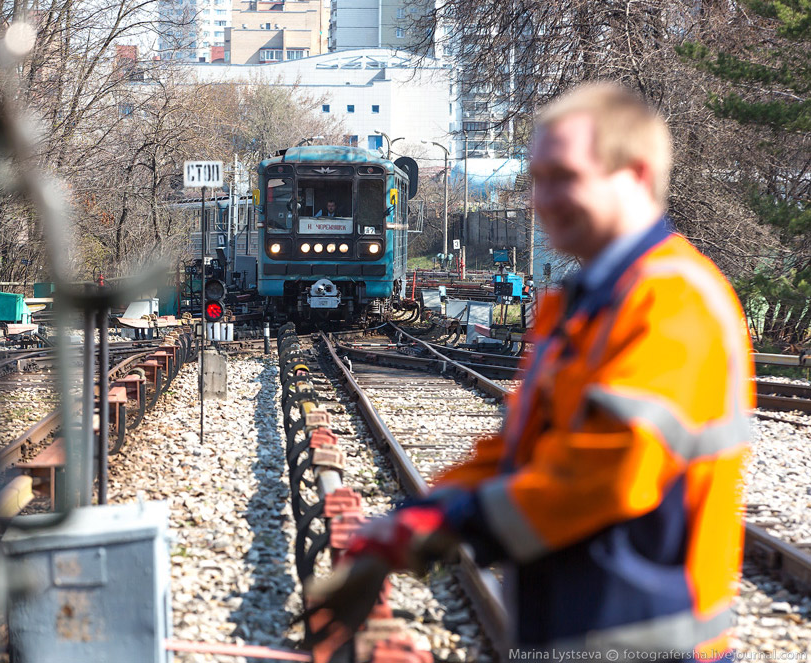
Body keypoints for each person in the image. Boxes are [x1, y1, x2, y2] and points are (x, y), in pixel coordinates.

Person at [302, 82, 753, 661]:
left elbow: (611, 469)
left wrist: (463, 520)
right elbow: (527, 449)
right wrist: (424, 514)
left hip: (653, 643)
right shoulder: (580, 302)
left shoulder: (673, 302)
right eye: (537, 179)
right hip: (573, 632)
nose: (544, 199)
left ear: (636, 175)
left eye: (564, 176)